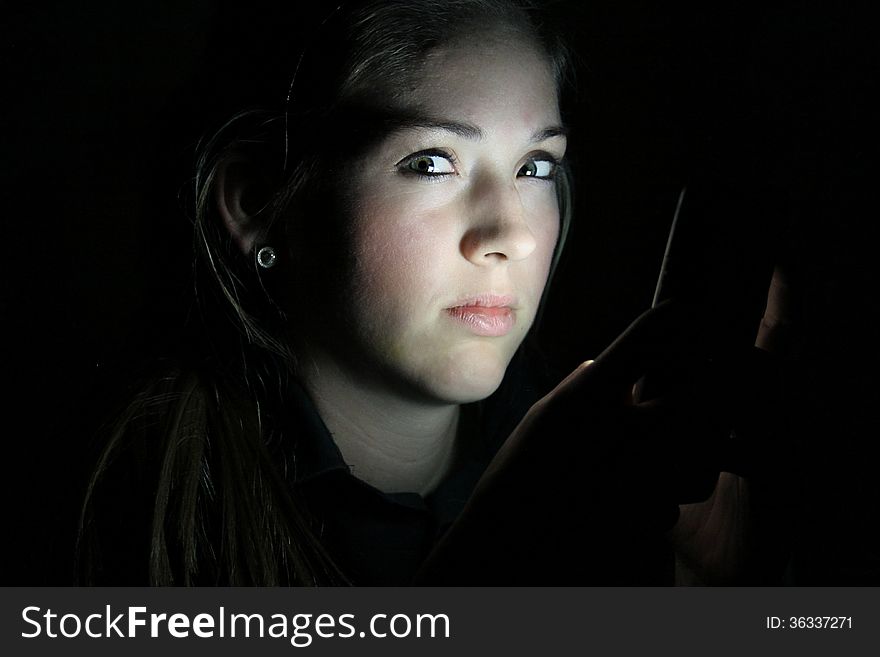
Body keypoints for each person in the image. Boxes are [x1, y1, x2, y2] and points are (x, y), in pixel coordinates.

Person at [77, 0, 770, 586]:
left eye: (535, 165)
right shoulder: (124, 507)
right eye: (431, 162)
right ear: (256, 200)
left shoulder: (600, 470)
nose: (510, 235)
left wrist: (714, 591)